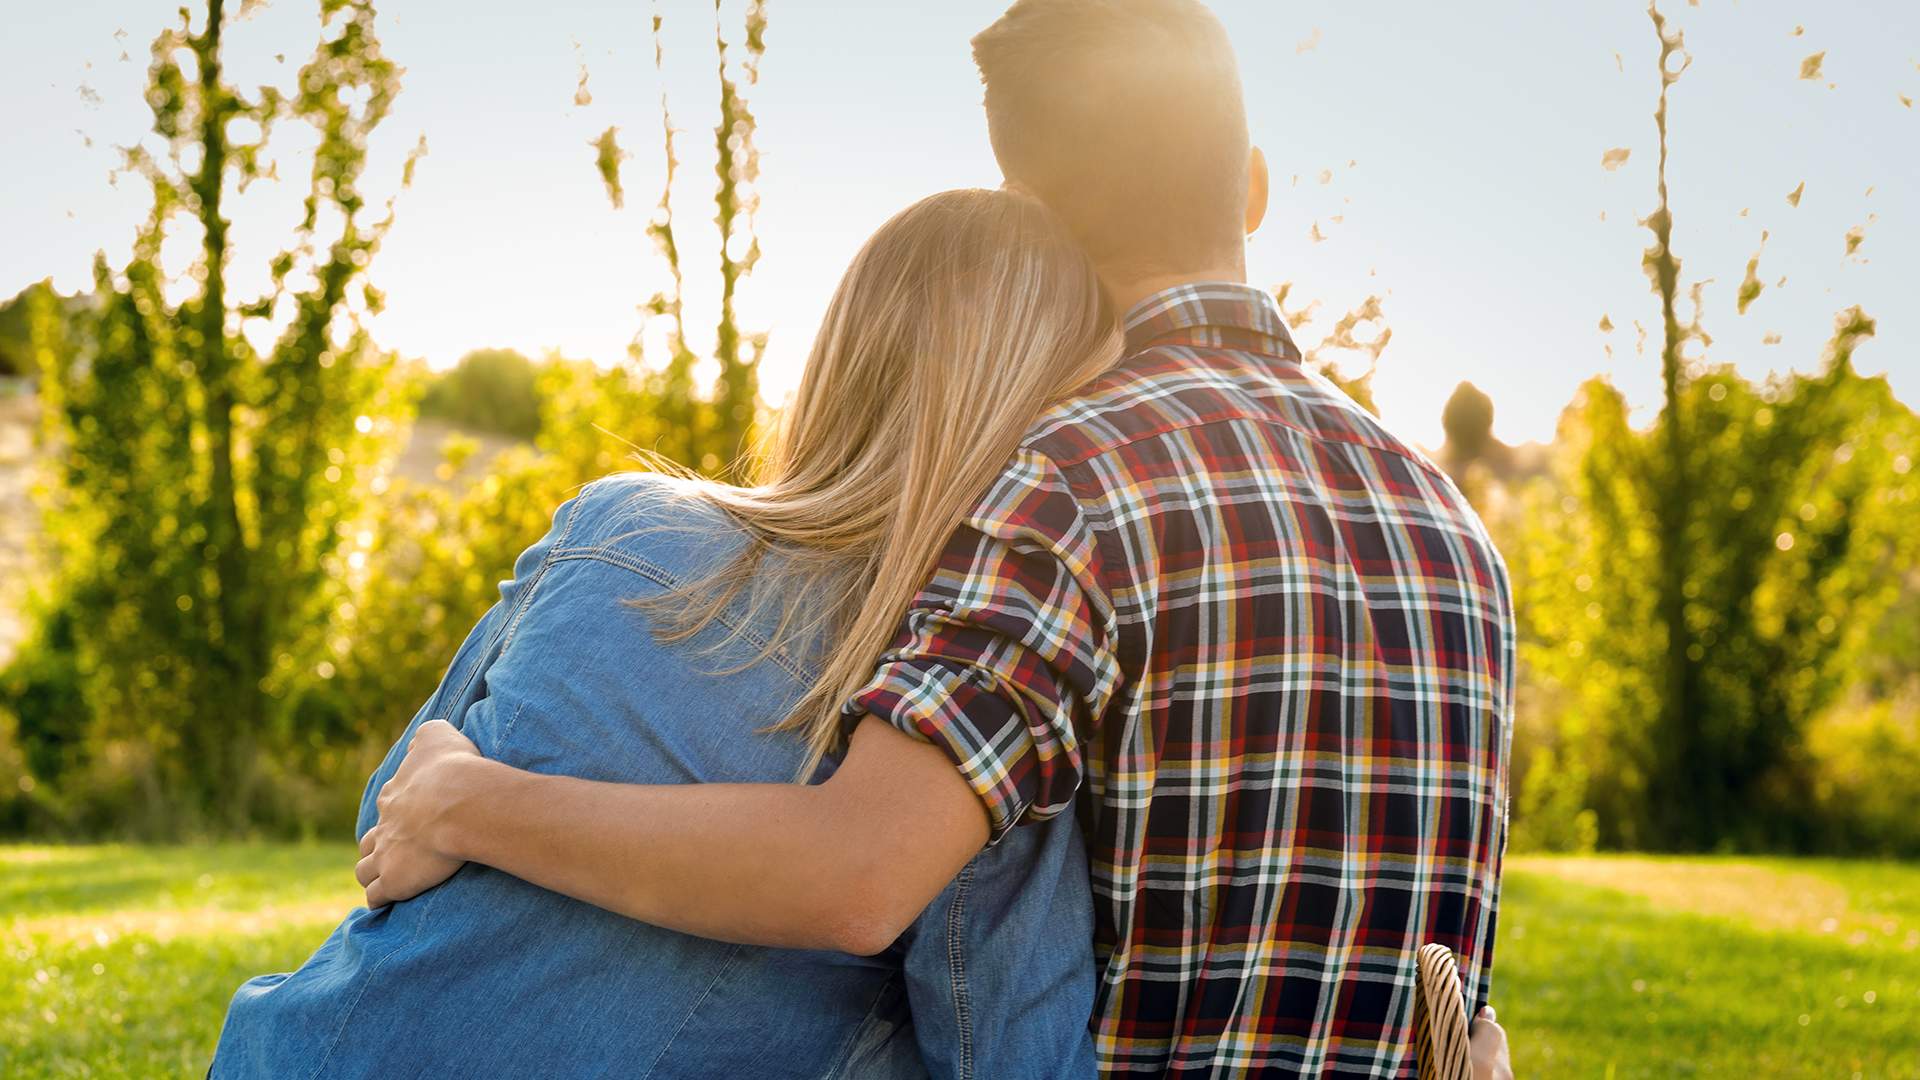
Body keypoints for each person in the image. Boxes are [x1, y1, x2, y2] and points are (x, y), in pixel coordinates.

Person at [363, 0, 1518, 1073]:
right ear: (1253, 189)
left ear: (1032, 218)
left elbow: (860, 873)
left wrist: (466, 801)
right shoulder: (1456, 535)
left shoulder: (1071, 476)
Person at [211, 189, 1117, 1079]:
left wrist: (473, 806)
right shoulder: (967, 701)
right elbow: (1012, 1055)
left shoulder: (617, 521)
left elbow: (391, 821)